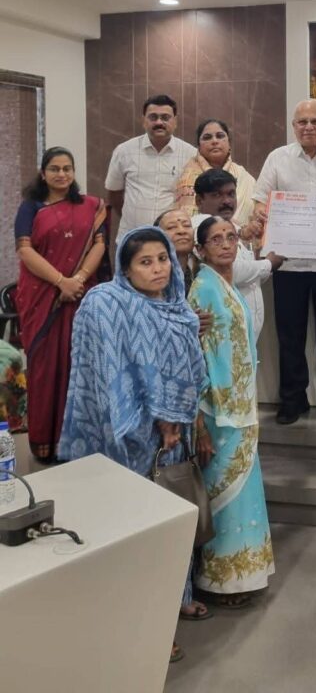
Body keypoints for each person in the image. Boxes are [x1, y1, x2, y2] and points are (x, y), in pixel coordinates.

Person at [58, 226, 209, 661]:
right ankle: (150, 627)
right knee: (139, 529)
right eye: (145, 262)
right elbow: (106, 368)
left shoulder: (177, 309)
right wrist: (159, 415)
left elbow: (190, 370)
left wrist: (177, 418)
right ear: (125, 269)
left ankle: (178, 597)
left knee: (171, 519)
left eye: (163, 259)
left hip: (172, 438)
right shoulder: (107, 303)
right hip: (128, 436)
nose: (158, 269)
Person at [188, 216, 274, 606]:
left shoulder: (228, 284)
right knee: (224, 494)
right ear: (201, 249)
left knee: (243, 489)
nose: (225, 244)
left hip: (240, 405)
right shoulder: (203, 288)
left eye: (231, 237)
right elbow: (196, 355)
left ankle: (243, 575)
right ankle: (220, 579)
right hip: (218, 410)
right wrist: (200, 419)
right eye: (215, 239)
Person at [254, 99, 316, 426]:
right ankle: (292, 400)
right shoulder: (277, 158)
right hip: (288, 265)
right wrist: (265, 217)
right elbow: (260, 204)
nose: (308, 127)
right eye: (302, 122)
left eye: (315, 121)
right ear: (293, 126)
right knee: (290, 337)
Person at [14, 147, 107, 462]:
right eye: (55, 168)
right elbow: (25, 251)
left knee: (79, 364)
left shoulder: (91, 206)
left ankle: (79, 441)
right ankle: (46, 443)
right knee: (44, 369)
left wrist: (77, 279)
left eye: (67, 168)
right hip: (42, 297)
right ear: (43, 173)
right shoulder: (31, 207)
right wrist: (60, 282)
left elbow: (99, 246)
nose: (62, 174)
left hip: (81, 295)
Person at [192, 169, 281, 340]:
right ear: (199, 200)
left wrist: (261, 255)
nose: (227, 201)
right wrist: (268, 264)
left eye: (231, 194)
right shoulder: (200, 227)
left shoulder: (232, 228)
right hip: (223, 337)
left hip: (243, 337)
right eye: (217, 195)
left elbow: (252, 279)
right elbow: (231, 271)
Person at [105, 94, 196, 241]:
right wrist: (132, 216)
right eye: (153, 117)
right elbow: (114, 193)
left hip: (173, 240)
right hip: (132, 237)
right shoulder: (124, 151)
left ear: (175, 121)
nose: (159, 122)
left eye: (165, 117)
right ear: (143, 121)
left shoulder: (190, 154)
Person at [175, 118, 258, 229]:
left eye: (220, 136)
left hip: (241, 238)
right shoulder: (188, 178)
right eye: (207, 137)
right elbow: (187, 221)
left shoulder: (244, 177)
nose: (214, 141)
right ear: (198, 147)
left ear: (229, 143)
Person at [155, 208, 196, 292]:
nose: (182, 231)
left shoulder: (199, 276)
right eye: (171, 227)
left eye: (187, 225)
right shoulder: (154, 278)